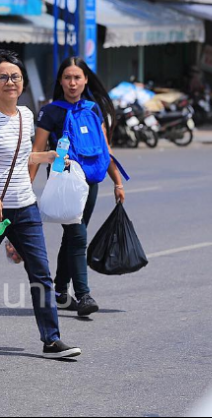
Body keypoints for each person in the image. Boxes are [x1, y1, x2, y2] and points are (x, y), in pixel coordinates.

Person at [0, 50, 82, 359]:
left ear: (23, 82)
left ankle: (51, 339)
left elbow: (21, 159)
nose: (10, 82)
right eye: (3, 77)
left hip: (25, 206)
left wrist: (46, 157)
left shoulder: (26, 114)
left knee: (40, 272)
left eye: (15, 77)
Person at [32, 56, 125, 317]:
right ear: (60, 81)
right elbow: (36, 151)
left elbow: (104, 149)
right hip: (64, 181)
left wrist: (117, 181)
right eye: (67, 78)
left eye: (77, 78)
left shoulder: (93, 109)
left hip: (90, 181)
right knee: (77, 236)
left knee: (74, 236)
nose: (72, 83)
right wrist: (26, 187)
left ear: (85, 80)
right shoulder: (50, 111)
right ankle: (83, 295)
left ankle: (61, 292)